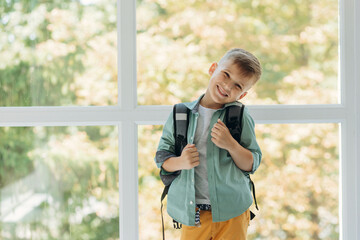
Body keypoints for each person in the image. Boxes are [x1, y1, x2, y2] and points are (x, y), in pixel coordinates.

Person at [155, 48, 262, 240]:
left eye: (237, 85)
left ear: (243, 95)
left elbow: (252, 163)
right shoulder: (180, 114)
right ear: (213, 69)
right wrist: (181, 162)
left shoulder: (239, 116)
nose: (228, 86)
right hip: (193, 212)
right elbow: (162, 158)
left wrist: (231, 144)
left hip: (233, 212)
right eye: (226, 75)